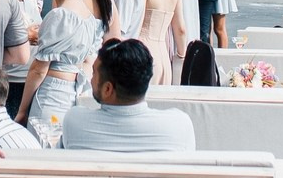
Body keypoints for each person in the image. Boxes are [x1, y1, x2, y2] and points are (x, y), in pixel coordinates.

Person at [16, 0, 105, 134]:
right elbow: (88, 61)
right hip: (75, 91)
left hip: (52, 93)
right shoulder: (88, 17)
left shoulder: (58, 16)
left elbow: (39, 69)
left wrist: (22, 110)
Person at [58, 39, 196, 153]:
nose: (90, 79)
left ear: (107, 89)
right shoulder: (179, 125)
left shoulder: (75, 121)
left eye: (93, 73)